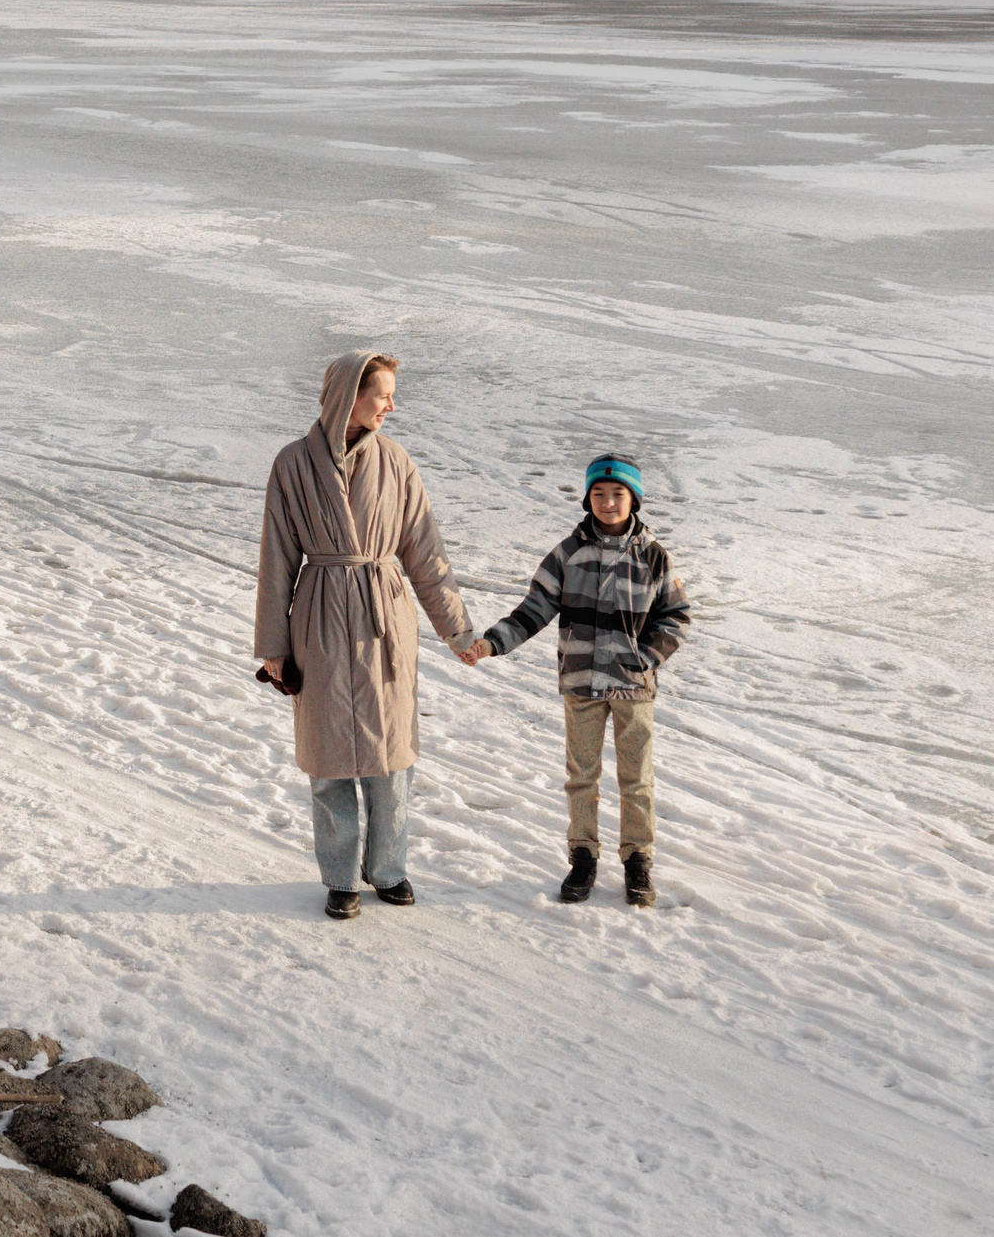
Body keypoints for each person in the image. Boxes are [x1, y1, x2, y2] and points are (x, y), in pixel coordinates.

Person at [257, 350, 480, 920]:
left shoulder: (397, 461)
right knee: (329, 757)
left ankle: (387, 869)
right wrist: (275, 648)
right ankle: (339, 877)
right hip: (321, 615)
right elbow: (277, 559)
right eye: (382, 394)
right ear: (348, 395)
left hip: (385, 617)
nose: (390, 405)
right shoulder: (292, 464)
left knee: (391, 756)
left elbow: (425, 554)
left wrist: (457, 629)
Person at [463, 454, 690, 908]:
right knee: (581, 775)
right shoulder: (567, 554)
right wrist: (491, 643)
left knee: (636, 777)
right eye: (599, 494)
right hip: (581, 683)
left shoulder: (652, 556)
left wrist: (645, 659)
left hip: (632, 687)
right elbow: (533, 610)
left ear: (635, 499)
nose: (608, 502)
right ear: (587, 498)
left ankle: (637, 859)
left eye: (618, 494)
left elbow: (676, 615)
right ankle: (583, 856)